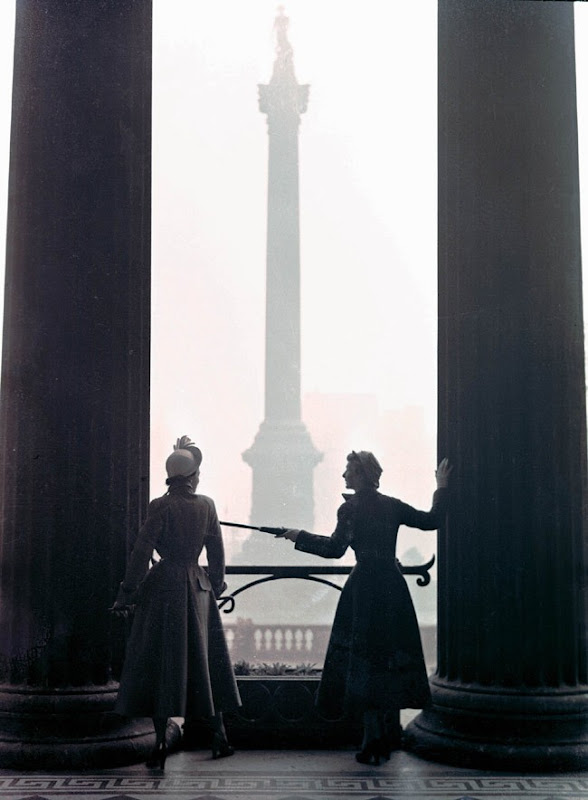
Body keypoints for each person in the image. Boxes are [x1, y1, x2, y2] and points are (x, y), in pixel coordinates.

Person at [276, 451, 451, 765]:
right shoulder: (392, 505)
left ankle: (371, 738)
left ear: (359, 476)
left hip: (363, 589)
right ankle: (384, 735)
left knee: (365, 659)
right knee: (385, 657)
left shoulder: (350, 508)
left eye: (347, 471)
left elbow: (333, 549)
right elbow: (431, 521)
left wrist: (297, 536)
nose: (343, 476)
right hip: (392, 586)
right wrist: (441, 486)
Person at [110, 436, 241, 770]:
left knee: (161, 664)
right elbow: (217, 553)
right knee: (206, 664)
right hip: (198, 589)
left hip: (163, 587)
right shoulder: (207, 505)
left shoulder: (160, 506)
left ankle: (158, 744)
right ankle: (220, 737)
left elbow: (141, 553)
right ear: (193, 476)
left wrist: (126, 593)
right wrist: (216, 584)